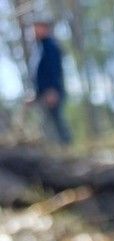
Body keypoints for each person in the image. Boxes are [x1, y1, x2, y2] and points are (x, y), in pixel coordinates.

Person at [31, 17, 71, 145]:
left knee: (56, 123)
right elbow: (39, 74)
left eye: (37, 27)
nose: (33, 31)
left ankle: (66, 149)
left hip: (52, 93)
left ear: (45, 28)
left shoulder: (50, 47)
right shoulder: (39, 47)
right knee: (47, 125)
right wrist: (37, 93)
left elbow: (54, 70)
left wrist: (53, 90)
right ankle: (57, 150)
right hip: (44, 93)